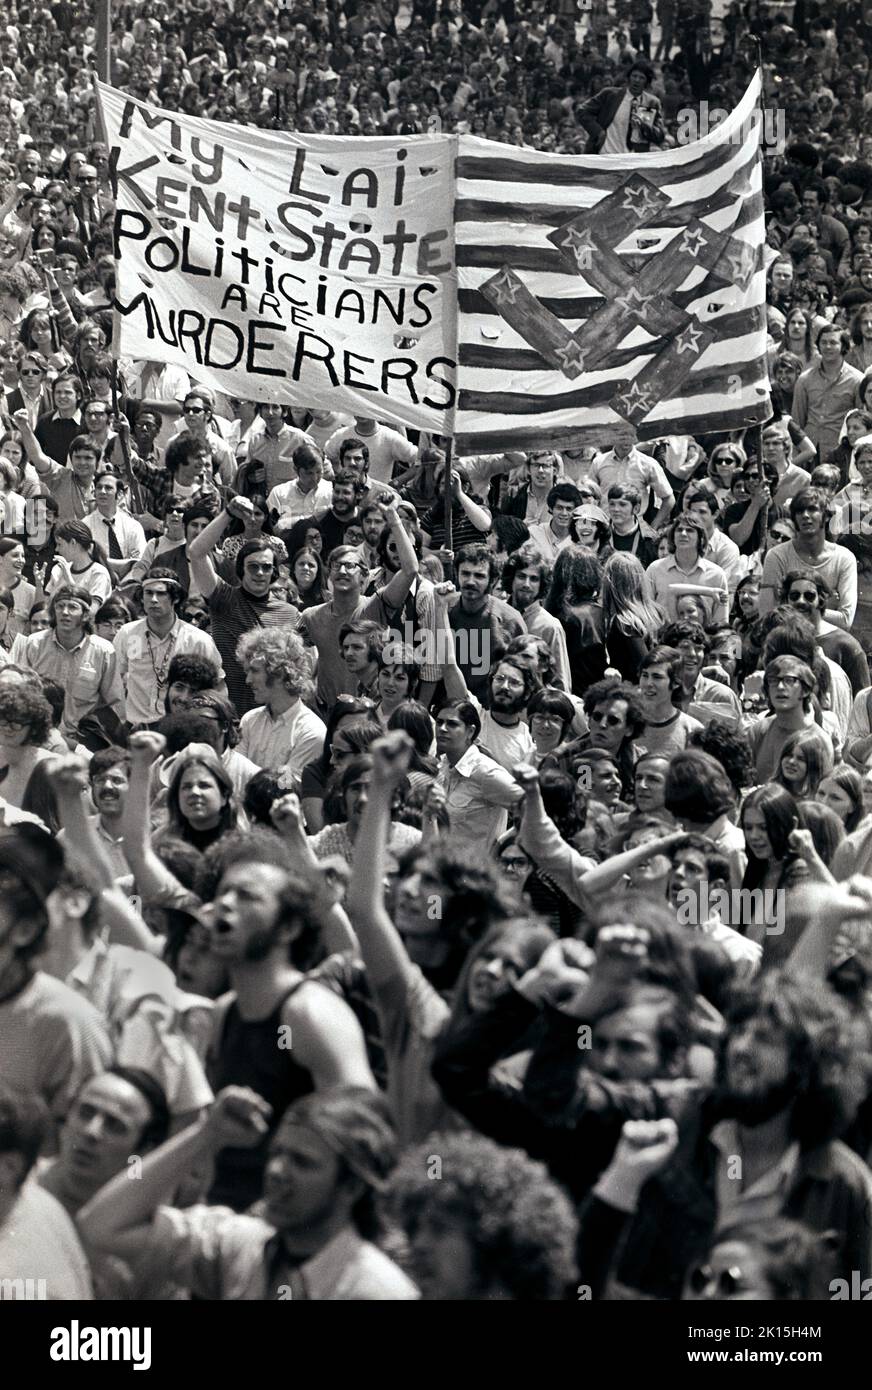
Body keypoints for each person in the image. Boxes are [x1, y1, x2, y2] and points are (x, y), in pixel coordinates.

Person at [78, 1085, 418, 1299]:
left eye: (302, 1162)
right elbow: (102, 1225)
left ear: (351, 1187)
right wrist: (207, 1134)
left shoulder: (376, 1290)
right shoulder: (242, 1247)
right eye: (276, 1154)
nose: (276, 1172)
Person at [13, 584, 123, 747]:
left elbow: (114, 704)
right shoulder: (34, 644)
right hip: (39, 737)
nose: (65, 612)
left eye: (72, 607)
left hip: (83, 741)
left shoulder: (103, 651)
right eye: (60, 606)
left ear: (85, 614)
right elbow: (20, 692)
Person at [114, 569, 225, 731]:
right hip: (135, 728)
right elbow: (115, 681)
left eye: (161, 594)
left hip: (180, 729)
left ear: (176, 598)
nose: (153, 600)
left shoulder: (198, 640)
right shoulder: (128, 634)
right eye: (148, 593)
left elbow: (218, 687)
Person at [760, 488, 857, 629]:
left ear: (826, 515)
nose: (805, 515)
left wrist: (787, 605)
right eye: (799, 511)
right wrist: (821, 605)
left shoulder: (844, 558)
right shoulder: (777, 556)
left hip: (828, 642)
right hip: (786, 640)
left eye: (812, 509)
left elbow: (845, 620)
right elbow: (766, 616)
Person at [236, 629, 326, 779]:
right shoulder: (249, 721)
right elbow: (235, 776)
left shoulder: (312, 732)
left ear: (280, 673)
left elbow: (285, 787)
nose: (248, 680)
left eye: (255, 671)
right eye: (247, 672)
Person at [793, 325, 864, 461]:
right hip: (810, 452)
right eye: (823, 342)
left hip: (841, 451)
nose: (827, 347)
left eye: (833, 343)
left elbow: (861, 420)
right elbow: (797, 421)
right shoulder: (804, 379)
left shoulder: (857, 380)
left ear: (843, 346)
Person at [647, 515, 729, 627]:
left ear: (701, 537)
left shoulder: (717, 574)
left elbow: (721, 623)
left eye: (690, 530)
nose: (683, 534)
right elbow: (646, 611)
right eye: (679, 530)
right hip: (663, 640)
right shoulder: (655, 569)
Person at [578, 61, 665, 153]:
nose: (637, 80)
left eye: (641, 78)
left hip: (634, 158)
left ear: (647, 82)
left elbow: (659, 136)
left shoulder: (651, 102)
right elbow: (582, 111)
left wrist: (644, 126)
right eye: (634, 76)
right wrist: (598, 132)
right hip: (606, 153)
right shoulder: (610, 95)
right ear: (628, 78)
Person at [636, 645, 704, 758]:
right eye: (645, 675)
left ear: (676, 682)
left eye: (657, 677)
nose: (648, 683)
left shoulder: (691, 730)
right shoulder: (627, 723)